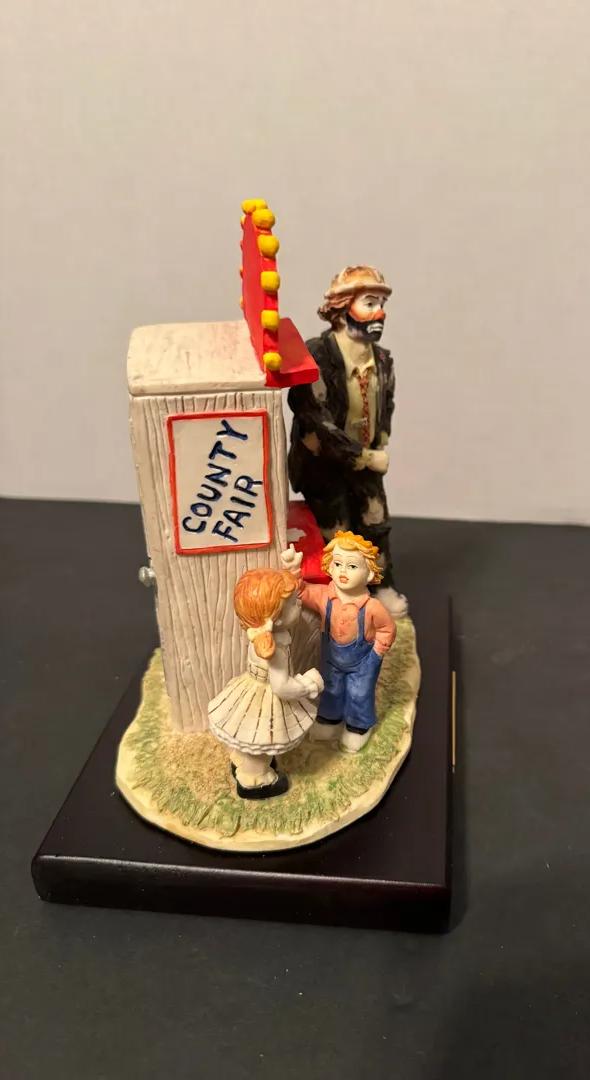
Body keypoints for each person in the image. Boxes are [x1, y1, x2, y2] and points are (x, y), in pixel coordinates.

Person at [287, 265, 407, 618]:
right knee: (336, 531)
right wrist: (365, 457)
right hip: (324, 463)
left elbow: (386, 402)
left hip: (366, 457)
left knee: (375, 522)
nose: (380, 313)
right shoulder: (315, 357)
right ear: (341, 308)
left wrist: (380, 439)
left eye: (381, 304)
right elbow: (315, 419)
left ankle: (380, 584)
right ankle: (341, 596)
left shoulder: (382, 360)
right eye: (370, 303)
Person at [208, 568, 324, 799]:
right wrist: (307, 685)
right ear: (276, 618)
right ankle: (254, 777)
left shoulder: (260, 635)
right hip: (266, 696)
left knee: (248, 729)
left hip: (251, 687)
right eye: (293, 603)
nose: (299, 604)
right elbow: (281, 687)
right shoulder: (275, 647)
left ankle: (242, 757)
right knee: (263, 734)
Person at [281, 532, 396, 753]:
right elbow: (302, 591)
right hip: (332, 656)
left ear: (369, 573)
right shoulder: (324, 595)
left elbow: (387, 628)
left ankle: (358, 726)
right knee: (331, 687)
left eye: (352, 566)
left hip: (363, 661)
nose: (343, 571)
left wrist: (377, 652)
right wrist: (294, 569)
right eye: (337, 564)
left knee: (359, 692)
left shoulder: (372, 607)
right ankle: (329, 719)